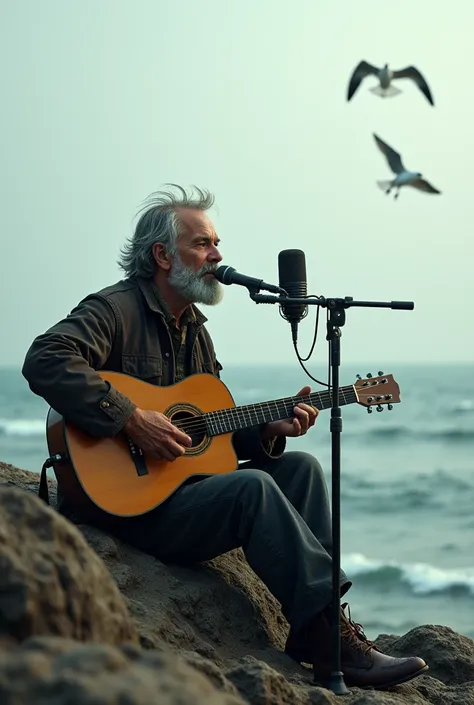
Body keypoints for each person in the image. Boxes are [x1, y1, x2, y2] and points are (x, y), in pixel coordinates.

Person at [22, 184, 428, 689]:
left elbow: (208, 436)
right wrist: (130, 418)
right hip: (121, 506)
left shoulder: (195, 329)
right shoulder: (115, 309)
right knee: (252, 489)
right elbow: (45, 359)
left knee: (299, 467)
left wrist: (268, 432)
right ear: (162, 256)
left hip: (177, 494)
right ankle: (333, 641)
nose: (218, 256)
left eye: (217, 244)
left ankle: (318, 627)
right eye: (203, 244)